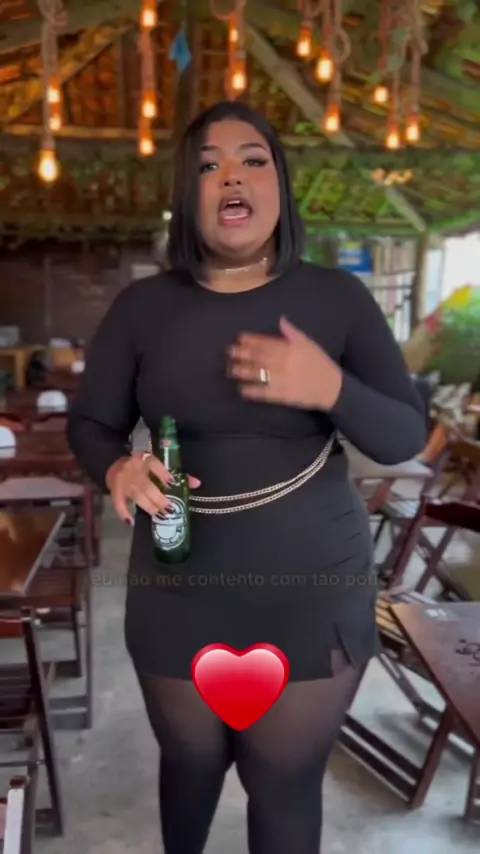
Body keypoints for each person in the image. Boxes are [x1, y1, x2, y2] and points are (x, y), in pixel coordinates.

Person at [67, 101, 427, 854]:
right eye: (208, 165)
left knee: (284, 782)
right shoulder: (142, 308)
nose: (231, 175)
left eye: (252, 160)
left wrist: (330, 387)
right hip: (176, 582)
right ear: (188, 194)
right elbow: (92, 424)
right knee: (190, 762)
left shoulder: (336, 299)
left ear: (279, 186)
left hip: (313, 587)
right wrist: (118, 467)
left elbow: (402, 436)